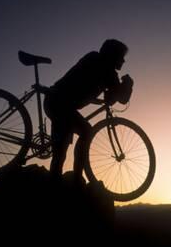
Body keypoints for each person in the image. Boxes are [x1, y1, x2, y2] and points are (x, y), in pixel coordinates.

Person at [44, 39, 134, 182]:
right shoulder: (104, 67)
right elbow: (120, 98)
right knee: (82, 133)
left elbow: (109, 95)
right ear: (113, 55)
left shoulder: (97, 60)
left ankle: (71, 179)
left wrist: (116, 91)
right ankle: (74, 180)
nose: (123, 60)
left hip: (57, 101)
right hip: (59, 103)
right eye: (121, 56)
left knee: (65, 143)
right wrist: (128, 84)